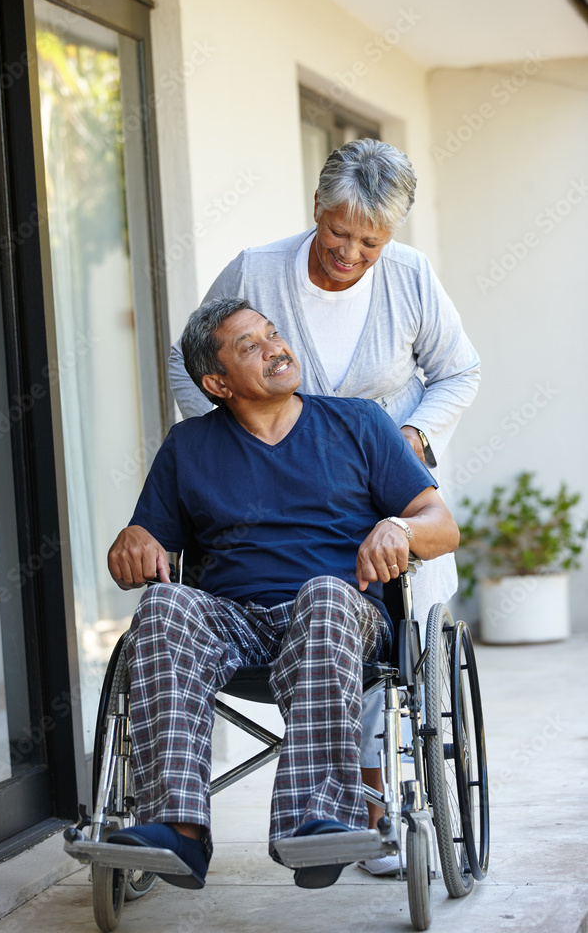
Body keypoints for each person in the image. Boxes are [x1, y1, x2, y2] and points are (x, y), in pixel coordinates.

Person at [167, 139, 480, 870]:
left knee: (383, 623)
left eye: (369, 241)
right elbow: (195, 365)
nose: (350, 252)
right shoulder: (256, 270)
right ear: (316, 209)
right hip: (272, 496)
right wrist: (237, 445)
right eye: (339, 234)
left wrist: (409, 437)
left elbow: (457, 370)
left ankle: (365, 804)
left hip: (383, 484)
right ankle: (193, 819)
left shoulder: (408, 277)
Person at [106, 297, 459, 891]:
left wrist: (399, 527)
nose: (275, 347)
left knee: (323, 594)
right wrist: (132, 540)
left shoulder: (359, 423)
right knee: (163, 605)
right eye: (250, 345)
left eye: (273, 333)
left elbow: (440, 524)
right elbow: (144, 547)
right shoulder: (188, 446)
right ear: (217, 382)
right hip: (232, 619)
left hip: (339, 613)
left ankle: (316, 823)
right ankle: (177, 831)